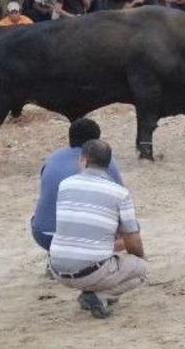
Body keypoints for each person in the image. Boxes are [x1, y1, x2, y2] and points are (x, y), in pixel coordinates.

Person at [49, 139, 146, 319]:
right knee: (141, 270)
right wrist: (138, 259)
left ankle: (95, 290)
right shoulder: (120, 193)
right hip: (91, 271)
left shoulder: (65, 185)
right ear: (108, 164)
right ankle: (99, 295)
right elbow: (132, 240)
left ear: (83, 160)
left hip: (56, 268)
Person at [31, 118, 122, 252]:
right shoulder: (104, 161)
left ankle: (59, 255)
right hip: (79, 239)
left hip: (43, 235)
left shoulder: (53, 158)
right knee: (124, 231)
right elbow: (119, 202)